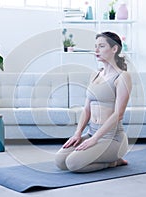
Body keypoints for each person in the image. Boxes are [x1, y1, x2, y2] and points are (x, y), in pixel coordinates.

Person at [55, 31, 132, 173]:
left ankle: (113, 162)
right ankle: (104, 157)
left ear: (114, 49)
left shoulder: (122, 76)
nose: (96, 50)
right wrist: (78, 133)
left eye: (101, 46)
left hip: (113, 139)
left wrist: (95, 139)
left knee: (73, 163)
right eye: (95, 46)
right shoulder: (95, 74)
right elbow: (86, 110)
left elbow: (118, 114)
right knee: (60, 161)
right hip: (91, 133)